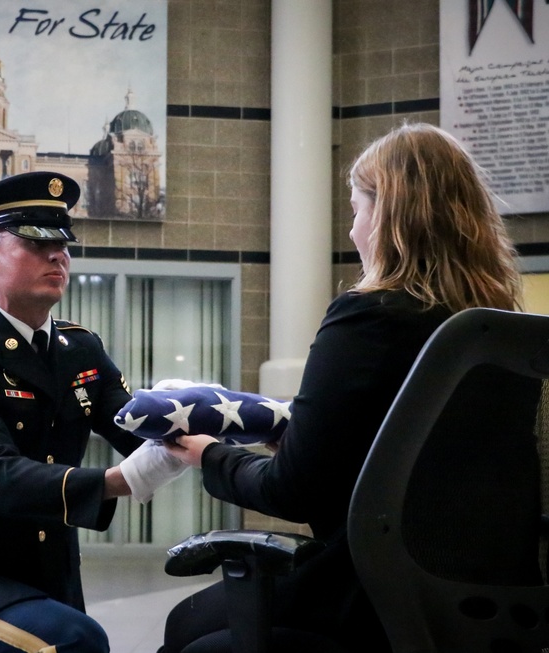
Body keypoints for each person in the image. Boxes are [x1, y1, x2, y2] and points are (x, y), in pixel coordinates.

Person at [159, 122, 526, 653]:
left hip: (375, 599)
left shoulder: (367, 318)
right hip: (487, 602)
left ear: (390, 217)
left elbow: (290, 490)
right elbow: (432, 463)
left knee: (187, 627)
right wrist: (302, 438)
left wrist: (209, 455)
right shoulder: (496, 331)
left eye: (356, 210)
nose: (353, 231)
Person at [0, 171, 186, 653]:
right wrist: (119, 481)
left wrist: (194, 421)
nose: (58, 254)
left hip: (49, 571)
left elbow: (133, 427)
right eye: (36, 243)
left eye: (63, 243)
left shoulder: (81, 349)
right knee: (76, 642)